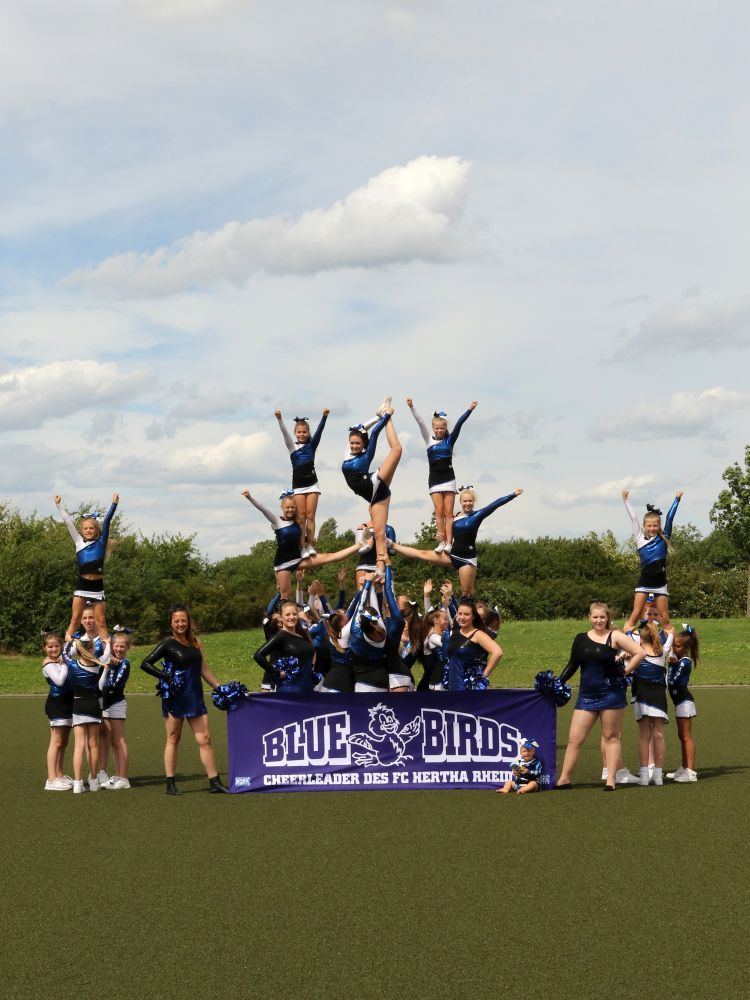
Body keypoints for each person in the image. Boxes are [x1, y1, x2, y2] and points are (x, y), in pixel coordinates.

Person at [140, 605, 229, 795]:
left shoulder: (196, 643)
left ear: (188, 622)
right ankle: (170, 782)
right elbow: (145, 664)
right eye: (177, 621)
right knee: (174, 738)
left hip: (195, 696)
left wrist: (221, 688)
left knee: (205, 738)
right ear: (171, 623)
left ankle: (215, 781)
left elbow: (204, 670)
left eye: (183, 620)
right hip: (175, 698)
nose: (180, 624)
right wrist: (165, 677)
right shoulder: (167, 644)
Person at [556, 602, 645, 791]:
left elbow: (640, 653)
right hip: (587, 695)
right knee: (574, 739)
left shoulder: (615, 636)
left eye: (602, 617)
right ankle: (564, 779)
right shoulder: (580, 638)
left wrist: (625, 672)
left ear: (608, 618)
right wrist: (558, 682)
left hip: (611, 693)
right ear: (589, 617)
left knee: (611, 736)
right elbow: (572, 665)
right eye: (595, 617)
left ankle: (611, 780)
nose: (599, 621)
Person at [392, 486, 523, 596]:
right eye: (465, 501)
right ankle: (391, 544)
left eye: (470, 501)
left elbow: (495, 504)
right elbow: (445, 535)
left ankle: (475, 621)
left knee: (467, 593)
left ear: (474, 502)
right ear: (460, 501)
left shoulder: (477, 515)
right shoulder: (453, 517)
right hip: (451, 555)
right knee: (422, 554)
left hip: (467, 560)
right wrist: (438, 537)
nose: (467, 503)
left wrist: (513, 494)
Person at [242, 489, 361, 598]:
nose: (290, 510)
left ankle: (360, 545)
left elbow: (295, 538)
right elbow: (263, 509)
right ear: (282, 507)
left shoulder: (297, 522)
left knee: (331, 557)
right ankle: (279, 618)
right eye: (287, 507)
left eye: (293, 507)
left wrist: (308, 539)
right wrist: (250, 498)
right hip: (283, 563)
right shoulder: (277, 521)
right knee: (286, 595)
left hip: (299, 558)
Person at [406, 397, 477, 553]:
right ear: (433, 429)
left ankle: (449, 543)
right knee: (438, 511)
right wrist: (412, 407)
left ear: (445, 429)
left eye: (441, 429)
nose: (439, 431)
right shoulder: (428, 440)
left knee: (448, 513)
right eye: (436, 428)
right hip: (435, 480)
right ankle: (441, 541)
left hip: (449, 479)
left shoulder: (450, 440)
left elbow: (459, 424)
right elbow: (420, 422)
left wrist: (469, 409)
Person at [341, 401, 402, 575]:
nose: (353, 446)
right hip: (374, 496)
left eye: (357, 444)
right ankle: (380, 567)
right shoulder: (348, 451)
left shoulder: (367, 453)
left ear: (363, 445)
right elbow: (362, 428)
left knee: (397, 450)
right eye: (352, 443)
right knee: (380, 533)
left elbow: (374, 433)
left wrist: (387, 417)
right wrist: (378, 416)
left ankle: (381, 567)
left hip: (373, 484)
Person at [54, 493, 119, 642]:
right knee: (75, 619)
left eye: (91, 528)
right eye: (85, 528)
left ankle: (106, 658)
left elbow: (107, 521)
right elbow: (68, 522)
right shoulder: (78, 542)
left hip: (97, 586)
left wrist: (114, 504)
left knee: (101, 623)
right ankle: (65, 652)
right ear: (82, 531)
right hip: (82, 584)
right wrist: (59, 505)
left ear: (96, 530)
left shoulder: (101, 543)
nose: (88, 530)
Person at [622, 488, 683, 631]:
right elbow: (634, 518)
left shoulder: (664, 538)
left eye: (655, 525)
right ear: (644, 526)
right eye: (649, 526)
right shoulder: (639, 538)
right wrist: (626, 500)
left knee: (665, 617)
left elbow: (669, 518)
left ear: (659, 526)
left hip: (660, 584)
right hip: (644, 584)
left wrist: (677, 499)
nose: (652, 528)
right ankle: (626, 648)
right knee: (635, 615)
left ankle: (671, 651)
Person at [274, 408, 329, 556]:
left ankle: (310, 545)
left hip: (312, 484)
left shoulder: (312, 446)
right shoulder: (292, 447)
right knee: (301, 516)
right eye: (299, 432)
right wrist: (280, 419)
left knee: (311, 515)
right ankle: (302, 546)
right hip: (298, 486)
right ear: (296, 433)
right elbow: (284, 434)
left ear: (308, 433)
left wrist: (324, 417)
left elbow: (320, 432)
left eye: (304, 432)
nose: (302, 434)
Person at [63, 637, 108, 793]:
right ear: (92, 649)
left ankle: (77, 783)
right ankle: (94, 781)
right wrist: (107, 643)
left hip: (79, 705)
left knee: (79, 746)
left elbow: (64, 652)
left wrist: (71, 640)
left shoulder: (72, 664)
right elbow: (101, 686)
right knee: (93, 745)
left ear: (78, 649)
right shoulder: (98, 665)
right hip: (94, 705)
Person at [631, 622, 673, 786]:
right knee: (659, 735)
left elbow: (629, 630)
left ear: (640, 639)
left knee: (644, 736)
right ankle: (657, 775)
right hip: (658, 698)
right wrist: (670, 632)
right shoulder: (663, 653)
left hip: (642, 697)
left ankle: (643, 776)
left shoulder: (637, 654)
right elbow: (669, 637)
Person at [340, 574, 389, 692]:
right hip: (382, 678)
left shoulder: (356, 633)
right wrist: (370, 585)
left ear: (360, 620)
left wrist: (367, 583)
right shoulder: (382, 630)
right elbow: (374, 605)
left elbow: (359, 605)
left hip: (365, 683)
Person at [253, 600, 316, 693]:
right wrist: (277, 673)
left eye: (294, 614)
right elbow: (258, 656)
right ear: (281, 617)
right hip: (290, 690)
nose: (291, 617)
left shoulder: (302, 635)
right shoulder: (280, 636)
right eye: (287, 614)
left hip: (307, 687)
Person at [99, 627, 132, 790]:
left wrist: (108, 665)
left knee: (118, 740)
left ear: (127, 648)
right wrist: (107, 661)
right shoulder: (109, 659)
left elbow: (113, 685)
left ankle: (123, 777)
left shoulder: (124, 663)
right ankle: (117, 775)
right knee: (111, 740)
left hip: (116, 703)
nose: (119, 649)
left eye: (122, 647)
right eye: (116, 646)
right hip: (104, 703)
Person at [445, 599, 502, 691]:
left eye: (466, 614)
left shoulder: (478, 634)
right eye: (460, 614)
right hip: (454, 685)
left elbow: (497, 652)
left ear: (473, 616)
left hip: (470, 688)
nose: (462, 617)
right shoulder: (455, 633)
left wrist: (483, 676)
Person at [667, 624, 700, 782]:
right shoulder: (678, 660)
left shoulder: (685, 662)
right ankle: (684, 766)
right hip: (679, 703)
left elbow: (674, 681)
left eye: (677, 646)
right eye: (673, 644)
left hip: (685, 703)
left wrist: (671, 666)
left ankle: (691, 772)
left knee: (686, 737)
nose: (674, 647)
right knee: (682, 736)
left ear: (686, 648)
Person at [41, 631, 73, 791]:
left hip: (67, 704)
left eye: (56, 646)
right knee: (56, 742)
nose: (53, 649)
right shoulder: (48, 663)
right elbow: (59, 681)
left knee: (64, 743)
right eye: (50, 647)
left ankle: (59, 774)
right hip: (57, 705)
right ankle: (51, 778)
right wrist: (65, 664)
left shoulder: (60, 660)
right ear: (44, 648)